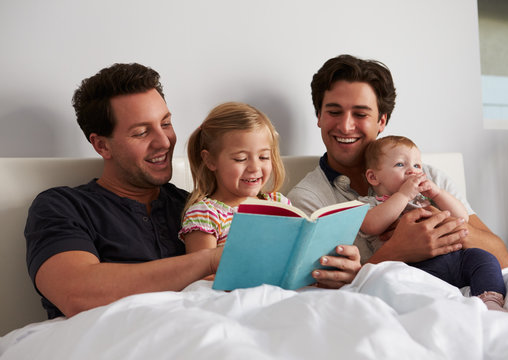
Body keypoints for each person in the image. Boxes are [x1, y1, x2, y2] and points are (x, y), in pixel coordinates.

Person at [25, 63, 360, 319]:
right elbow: (76, 293)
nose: (163, 141)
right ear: (101, 145)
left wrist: (327, 268)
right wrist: (212, 259)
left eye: (166, 123)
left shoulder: (195, 205)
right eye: (142, 132)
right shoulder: (63, 206)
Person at [287, 54, 508, 269]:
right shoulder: (309, 199)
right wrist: (397, 251)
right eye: (334, 112)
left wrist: (444, 226)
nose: (346, 126)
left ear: (381, 120)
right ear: (319, 116)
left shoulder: (429, 178)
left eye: (361, 114)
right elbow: (317, 286)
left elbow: (502, 259)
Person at [358, 135, 508, 311]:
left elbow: (462, 218)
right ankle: (445, 308)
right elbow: (371, 225)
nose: (411, 171)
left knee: (483, 259)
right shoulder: (370, 204)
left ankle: (490, 301)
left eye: (416, 165)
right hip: (415, 268)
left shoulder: (425, 198)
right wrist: (404, 195)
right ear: (373, 177)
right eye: (400, 164)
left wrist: (438, 194)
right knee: (395, 282)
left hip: (456, 259)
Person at [179, 102, 290, 255]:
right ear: (210, 160)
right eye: (240, 159)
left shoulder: (279, 203)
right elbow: (202, 272)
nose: (255, 168)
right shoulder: (206, 215)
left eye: (263, 157)